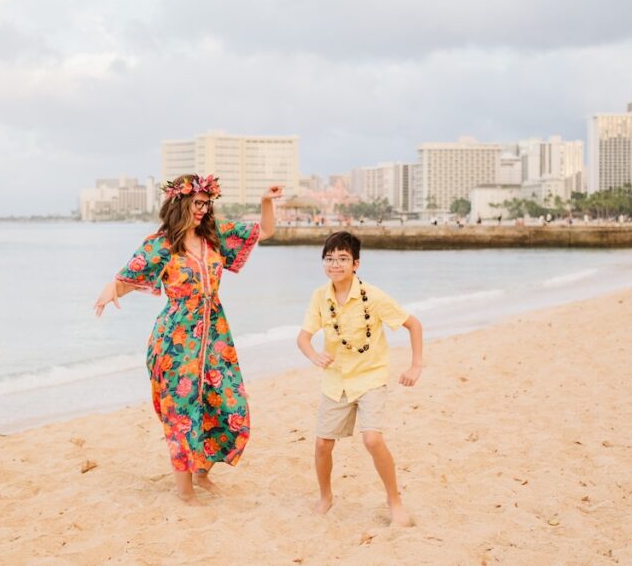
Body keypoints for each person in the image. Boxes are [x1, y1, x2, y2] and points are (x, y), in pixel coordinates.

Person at [95, 174, 282, 504]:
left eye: (207, 203)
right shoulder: (162, 244)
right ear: (180, 202)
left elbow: (264, 231)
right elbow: (130, 277)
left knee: (225, 404)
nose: (203, 209)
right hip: (177, 339)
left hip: (215, 338)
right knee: (181, 410)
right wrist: (110, 291)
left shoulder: (215, 237)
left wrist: (265, 202)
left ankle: (202, 473)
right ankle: (184, 491)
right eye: (198, 203)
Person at [295, 231, 424, 527]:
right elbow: (303, 338)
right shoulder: (319, 297)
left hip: (370, 376)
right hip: (335, 380)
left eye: (342, 258)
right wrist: (314, 356)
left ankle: (394, 501)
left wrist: (416, 366)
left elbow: (413, 324)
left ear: (356, 264)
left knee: (372, 439)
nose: (335, 264)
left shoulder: (373, 296)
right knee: (322, 444)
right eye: (329, 259)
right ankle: (326, 496)